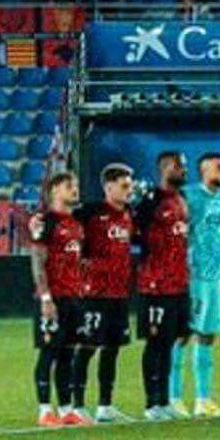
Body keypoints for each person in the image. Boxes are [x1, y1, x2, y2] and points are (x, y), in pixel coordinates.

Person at [76, 161, 140, 423]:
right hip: (94, 293)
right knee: (88, 346)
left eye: (130, 186)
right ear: (108, 187)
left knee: (112, 347)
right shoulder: (90, 212)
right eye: (124, 186)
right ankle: (77, 405)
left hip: (119, 292)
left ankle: (105, 405)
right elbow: (60, 225)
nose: (129, 191)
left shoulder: (129, 216)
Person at [133, 152, 193, 421]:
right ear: (166, 168)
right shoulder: (152, 201)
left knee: (170, 342)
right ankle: (151, 403)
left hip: (179, 283)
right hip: (155, 284)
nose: (184, 170)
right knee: (155, 343)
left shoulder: (182, 200)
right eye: (180, 166)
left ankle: (165, 399)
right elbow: (135, 231)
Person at [30, 173, 85, 427]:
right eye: (68, 186)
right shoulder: (45, 222)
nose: (74, 190)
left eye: (75, 185)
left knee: (67, 354)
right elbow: (37, 260)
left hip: (73, 296)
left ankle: (66, 410)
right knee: (48, 352)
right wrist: (45, 297)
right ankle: (44, 410)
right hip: (53, 298)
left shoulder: (75, 224)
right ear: (54, 191)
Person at [184, 150, 220, 417]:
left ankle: (204, 399)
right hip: (194, 273)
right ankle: (173, 398)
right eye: (219, 168)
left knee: (209, 334)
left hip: (215, 275)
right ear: (204, 170)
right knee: (185, 334)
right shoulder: (189, 196)